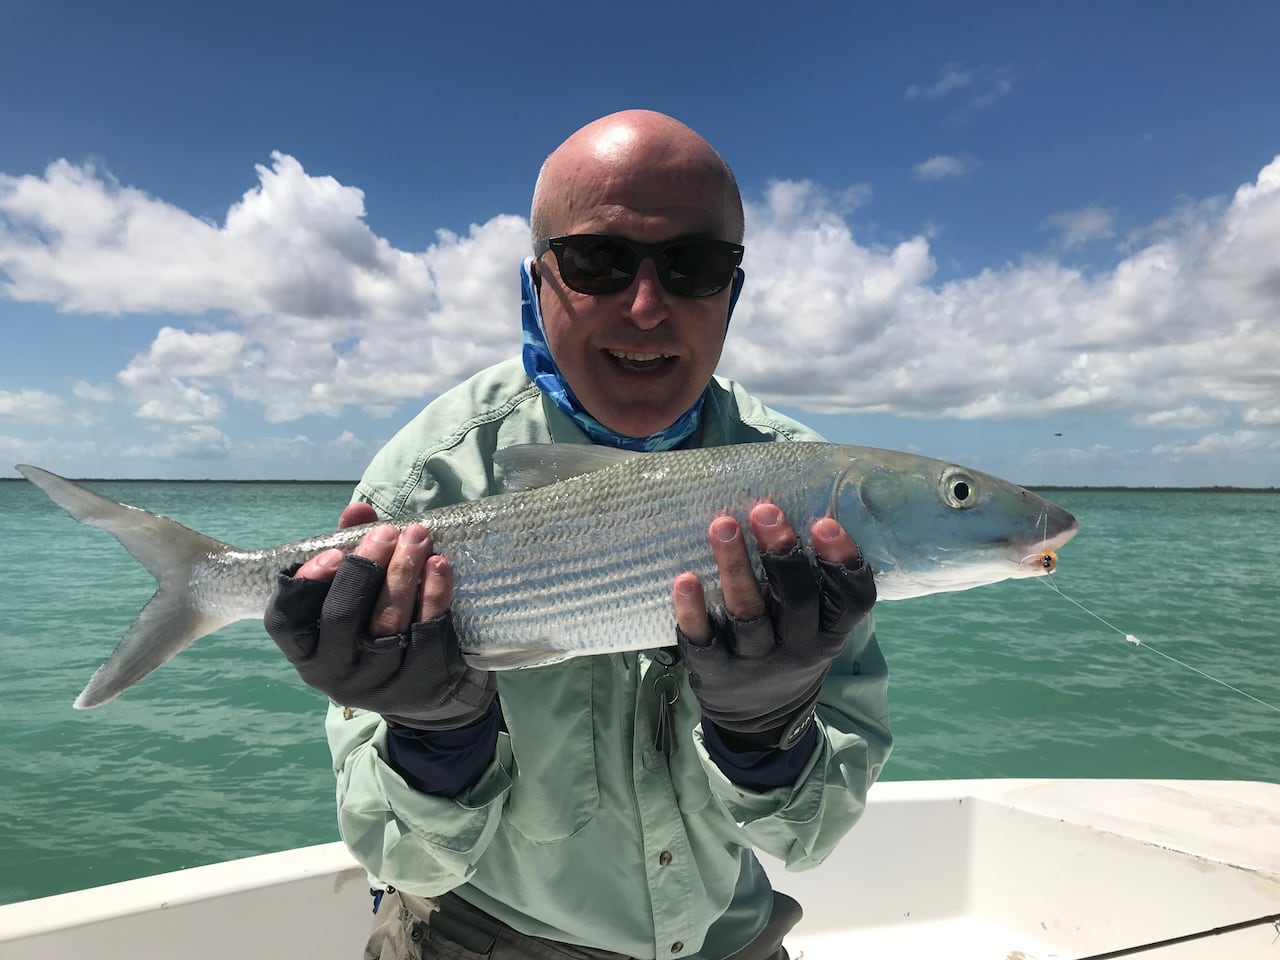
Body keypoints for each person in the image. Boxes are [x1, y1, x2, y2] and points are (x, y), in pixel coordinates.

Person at [264, 109, 892, 960]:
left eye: (693, 266)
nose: (646, 306)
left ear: (732, 292)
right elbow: (404, 861)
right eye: (598, 260)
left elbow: (809, 839)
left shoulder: (805, 502)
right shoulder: (424, 486)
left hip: (731, 939)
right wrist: (433, 742)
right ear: (537, 282)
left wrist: (767, 735)